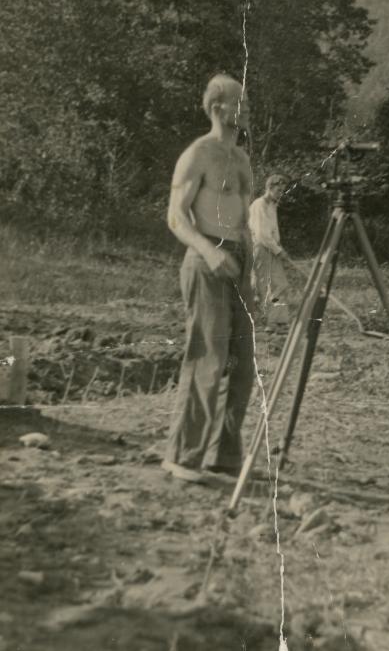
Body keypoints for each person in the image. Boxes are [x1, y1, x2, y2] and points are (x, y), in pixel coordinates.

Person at [162, 74, 255, 484]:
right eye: (241, 102)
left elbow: (246, 221)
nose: (247, 109)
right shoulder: (197, 153)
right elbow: (176, 217)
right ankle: (183, 457)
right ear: (219, 108)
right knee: (207, 359)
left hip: (239, 260)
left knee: (242, 364)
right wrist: (209, 251)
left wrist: (257, 268)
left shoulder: (242, 159)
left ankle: (223, 458)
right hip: (206, 261)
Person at [249, 174, 289, 319]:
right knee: (263, 286)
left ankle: (278, 320)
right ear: (269, 188)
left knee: (281, 284)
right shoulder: (260, 204)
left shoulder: (273, 205)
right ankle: (269, 321)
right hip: (260, 248)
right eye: (278, 190)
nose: (281, 194)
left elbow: (272, 232)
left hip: (271, 247)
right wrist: (278, 251)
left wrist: (278, 247)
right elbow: (261, 234)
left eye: (283, 191)